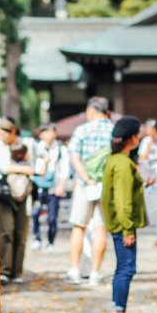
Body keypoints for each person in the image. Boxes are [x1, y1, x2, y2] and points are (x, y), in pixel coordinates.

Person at [100, 116, 147, 313]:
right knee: (126, 269)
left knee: (122, 268)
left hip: (116, 223)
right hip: (123, 225)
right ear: (133, 138)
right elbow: (123, 201)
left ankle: (116, 311)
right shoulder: (123, 164)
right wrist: (129, 229)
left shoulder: (114, 160)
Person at [67, 96, 114, 286]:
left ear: (92, 110)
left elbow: (74, 157)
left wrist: (86, 178)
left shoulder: (82, 130)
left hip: (85, 185)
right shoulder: (113, 130)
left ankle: (76, 270)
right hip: (105, 184)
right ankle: (95, 272)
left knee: (79, 226)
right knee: (101, 227)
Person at [0, 119, 34, 284]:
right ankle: (4, 269)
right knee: (6, 231)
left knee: (21, 232)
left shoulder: (25, 144)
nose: (0, 138)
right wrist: (24, 169)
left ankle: (17, 271)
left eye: (2, 134)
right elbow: (3, 167)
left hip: (23, 192)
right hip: (4, 194)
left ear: (12, 132)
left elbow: (36, 163)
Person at [31, 123, 68, 252]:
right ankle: (37, 239)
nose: (52, 134)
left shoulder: (60, 149)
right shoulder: (35, 148)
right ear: (42, 134)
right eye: (49, 131)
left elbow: (64, 169)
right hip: (37, 187)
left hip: (53, 187)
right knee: (35, 214)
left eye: (53, 131)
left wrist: (62, 185)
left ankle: (51, 242)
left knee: (52, 217)